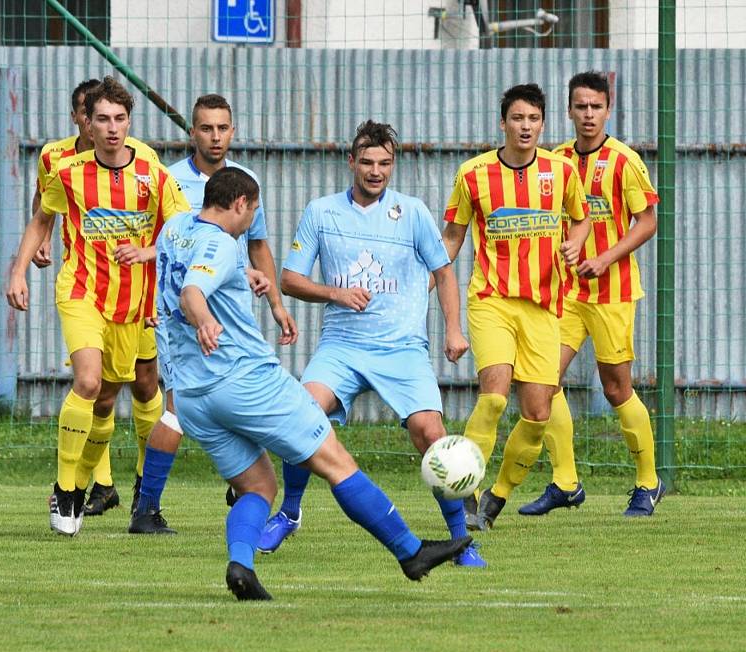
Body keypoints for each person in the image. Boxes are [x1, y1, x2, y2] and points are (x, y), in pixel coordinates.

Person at [156, 166, 471, 600]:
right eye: (253, 213)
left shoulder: (175, 229)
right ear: (240, 204)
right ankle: (410, 551)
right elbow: (193, 291)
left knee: (258, 485)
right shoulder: (222, 244)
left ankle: (241, 566)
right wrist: (207, 319)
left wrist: (241, 278)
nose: (252, 224)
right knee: (336, 462)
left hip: (191, 395)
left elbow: (190, 273)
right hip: (245, 382)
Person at [257, 120, 485, 568]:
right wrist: (334, 293)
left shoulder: (413, 212)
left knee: (432, 434)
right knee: (302, 413)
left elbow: (443, 273)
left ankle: (462, 542)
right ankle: (289, 512)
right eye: (367, 162)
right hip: (342, 345)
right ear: (351, 162)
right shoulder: (322, 211)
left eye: (384, 163)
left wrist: (454, 330)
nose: (375, 171)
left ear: (393, 165)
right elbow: (289, 279)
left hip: (401, 348)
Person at [6, 76, 189, 536]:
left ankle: (130, 495)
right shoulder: (67, 171)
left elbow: (184, 231)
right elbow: (41, 219)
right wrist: (18, 272)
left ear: (130, 121)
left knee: (117, 395)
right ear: (87, 122)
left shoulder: (152, 172)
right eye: (102, 118)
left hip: (135, 301)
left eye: (119, 118)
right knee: (87, 382)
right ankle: (66, 492)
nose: (111, 128)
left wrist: (149, 255)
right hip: (82, 291)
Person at [128, 93, 297, 534]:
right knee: (176, 409)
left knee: (245, 397)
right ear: (193, 132)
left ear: (233, 131)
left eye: (223, 128)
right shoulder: (170, 181)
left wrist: (275, 301)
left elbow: (256, 245)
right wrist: (158, 303)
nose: (215, 136)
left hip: (233, 311)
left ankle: (245, 488)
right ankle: (145, 506)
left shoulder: (244, 181)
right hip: (189, 314)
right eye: (207, 128)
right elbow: (163, 246)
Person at [441, 83, 590, 531]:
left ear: (543, 124)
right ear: (503, 122)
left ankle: (497, 498)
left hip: (544, 306)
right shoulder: (472, 174)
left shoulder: (562, 172)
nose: (525, 127)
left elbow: (580, 219)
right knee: (492, 397)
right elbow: (451, 237)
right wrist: (426, 279)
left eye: (534, 119)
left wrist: (575, 243)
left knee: (538, 416)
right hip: (492, 301)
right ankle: (465, 493)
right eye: (517, 118)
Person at [518, 71, 663, 518]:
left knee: (617, 389)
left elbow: (648, 222)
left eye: (595, 107)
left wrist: (604, 258)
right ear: (568, 110)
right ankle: (565, 482)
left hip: (612, 292)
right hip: (565, 294)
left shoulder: (624, 161)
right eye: (580, 107)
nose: (587, 115)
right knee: (544, 381)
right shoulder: (556, 161)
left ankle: (648, 482)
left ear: (607, 109)